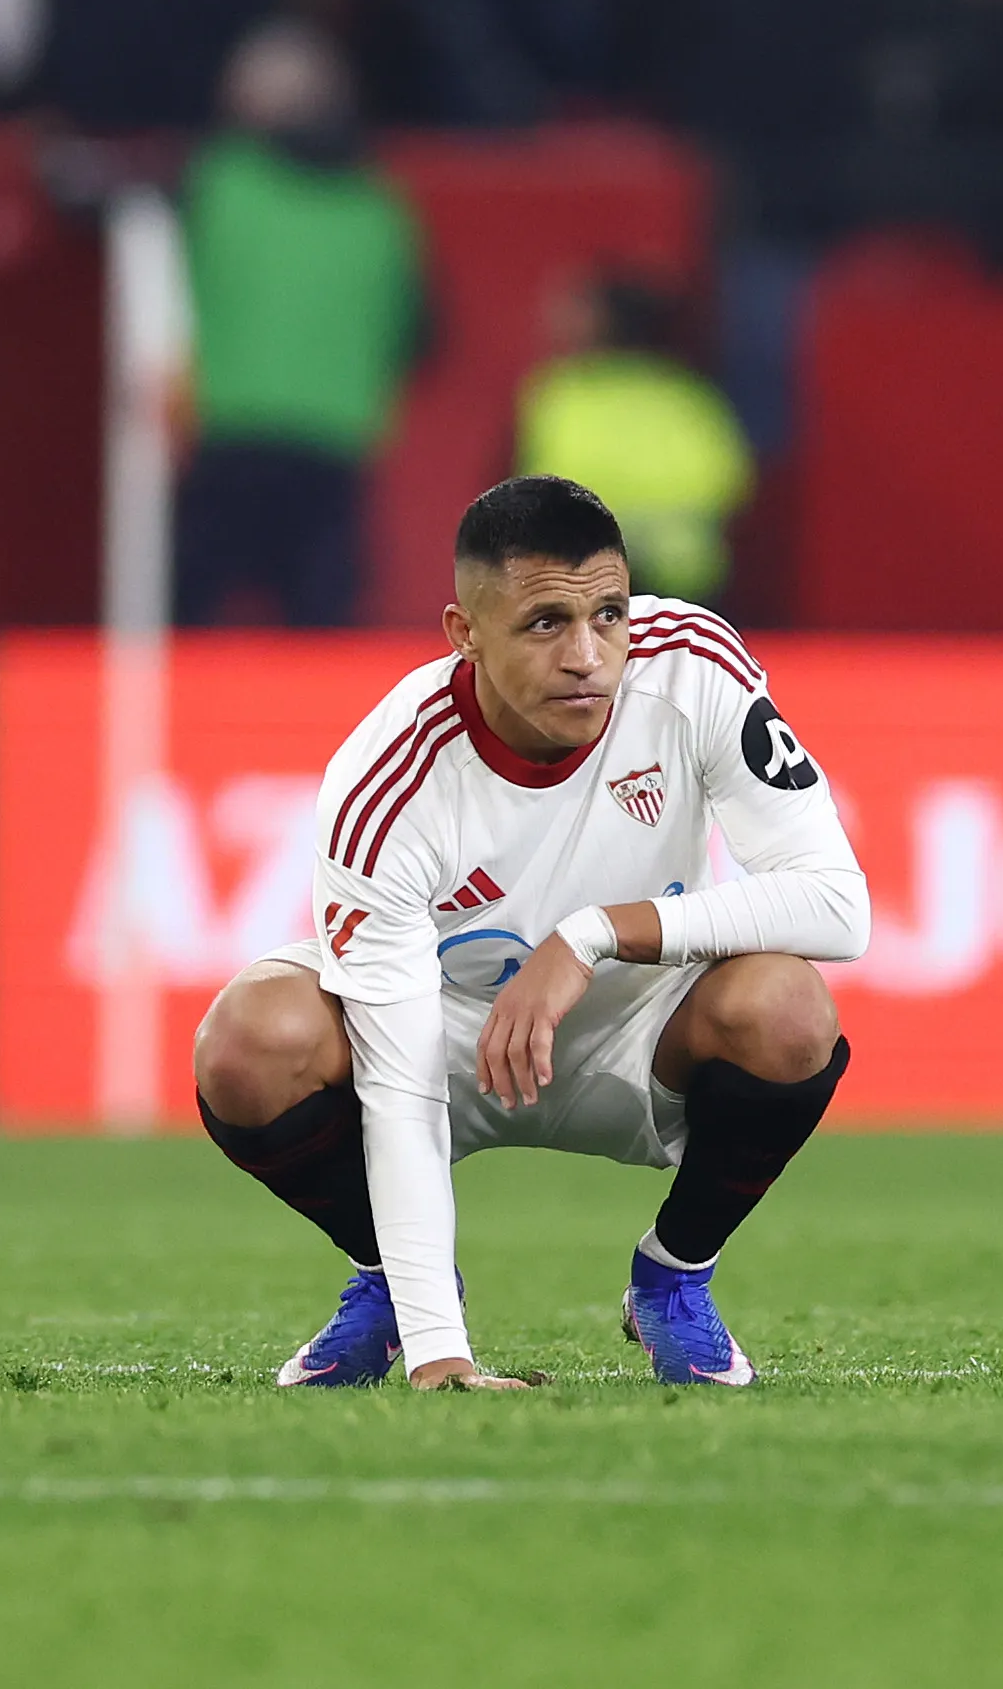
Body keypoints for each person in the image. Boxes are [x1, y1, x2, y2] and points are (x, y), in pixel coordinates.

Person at [191, 476, 866, 1389]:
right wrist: (441, 1353)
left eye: (609, 614)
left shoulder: (692, 664)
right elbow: (394, 1087)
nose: (589, 655)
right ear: (462, 634)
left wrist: (592, 934)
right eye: (545, 621)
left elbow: (835, 902)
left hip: (639, 1031)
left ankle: (673, 1278)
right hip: (444, 1041)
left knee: (787, 1005)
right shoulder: (386, 782)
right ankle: (394, 1290)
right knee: (247, 1040)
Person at [173, 21, 424, 628]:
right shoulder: (382, 207)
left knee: (184, 627)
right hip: (335, 448)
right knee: (320, 640)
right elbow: (419, 336)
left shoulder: (219, 180)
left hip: (229, 433)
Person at [513, 278, 750, 601]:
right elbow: (732, 481)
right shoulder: (689, 395)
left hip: (579, 578)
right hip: (683, 582)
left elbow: (521, 488)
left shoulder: (560, 394)